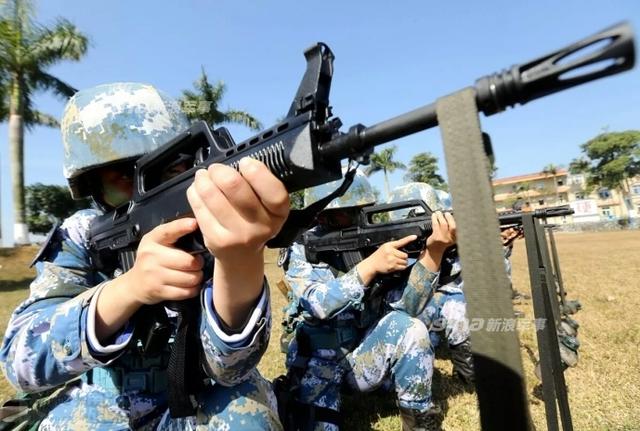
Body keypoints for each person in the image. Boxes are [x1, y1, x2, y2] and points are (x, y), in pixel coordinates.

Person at [0, 83, 287, 430]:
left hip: (194, 404)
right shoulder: (81, 238)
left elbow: (231, 369)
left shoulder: (208, 227)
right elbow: (22, 362)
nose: (145, 193)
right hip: (105, 411)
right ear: (91, 188)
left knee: (248, 412)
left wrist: (238, 260)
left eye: (169, 170)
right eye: (122, 176)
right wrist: (131, 288)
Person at [279, 169, 456, 431]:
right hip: (318, 365)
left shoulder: (374, 242)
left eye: (359, 211)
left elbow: (407, 307)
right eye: (343, 213)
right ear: (321, 214)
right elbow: (316, 304)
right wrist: (368, 268)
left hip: (361, 357)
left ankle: (419, 423)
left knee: (412, 328)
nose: (353, 218)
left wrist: (434, 252)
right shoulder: (301, 247)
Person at [387, 183, 474, 385]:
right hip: (396, 321)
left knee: (454, 301)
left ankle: (467, 374)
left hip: (422, 317)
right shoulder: (393, 250)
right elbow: (404, 301)